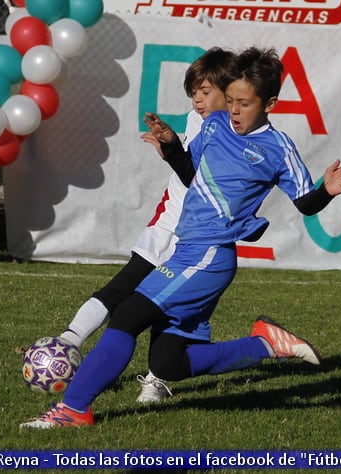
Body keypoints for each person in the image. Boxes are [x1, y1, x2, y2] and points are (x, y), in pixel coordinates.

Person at [21, 46, 341, 429]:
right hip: (188, 251)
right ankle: (265, 344)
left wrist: (327, 190)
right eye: (229, 100)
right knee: (169, 364)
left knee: (128, 315)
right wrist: (171, 145)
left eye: (244, 103)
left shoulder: (278, 148)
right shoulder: (214, 126)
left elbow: (305, 203)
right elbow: (190, 172)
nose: (233, 110)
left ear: (270, 103)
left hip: (209, 256)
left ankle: (74, 409)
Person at [57, 47, 236, 403]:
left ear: (230, 92)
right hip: (167, 227)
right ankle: (66, 344)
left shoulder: (237, 132)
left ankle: (156, 379)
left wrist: (174, 153)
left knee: (172, 313)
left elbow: (203, 182)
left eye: (205, 92)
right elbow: (188, 174)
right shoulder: (196, 120)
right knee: (123, 287)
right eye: (194, 93)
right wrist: (172, 149)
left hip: (200, 240)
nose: (197, 101)